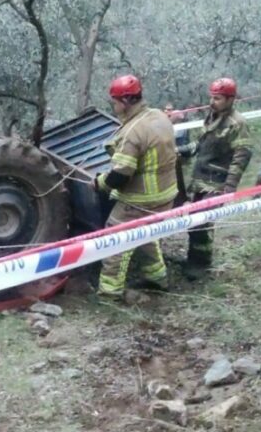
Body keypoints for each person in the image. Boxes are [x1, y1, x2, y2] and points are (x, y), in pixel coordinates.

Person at [94, 75, 179, 302]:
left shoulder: (132, 132)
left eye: (114, 102)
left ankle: (110, 293)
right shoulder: (160, 116)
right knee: (146, 233)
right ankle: (157, 278)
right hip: (167, 193)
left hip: (142, 198)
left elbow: (121, 174)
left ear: (126, 101)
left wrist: (100, 183)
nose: (113, 106)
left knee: (116, 238)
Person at [177, 78, 252, 278]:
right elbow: (200, 145)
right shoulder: (212, 117)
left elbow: (242, 155)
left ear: (230, 99)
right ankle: (194, 258)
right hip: (200, 180)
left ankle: (201, 266)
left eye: (217, 98)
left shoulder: (237, 123)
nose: (212, 101)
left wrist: (229, 187)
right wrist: (181, 151)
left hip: (216, 183)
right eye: (212, 97)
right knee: (194, 222)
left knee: (202, 223)